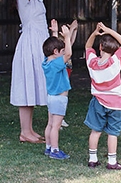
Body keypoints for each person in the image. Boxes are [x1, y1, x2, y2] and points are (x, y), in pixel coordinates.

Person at [10, 0, 54, 144]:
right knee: (27, 84)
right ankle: (24, 132)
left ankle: (28, 131)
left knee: (33, 85)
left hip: (39, 44)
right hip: (29, 44)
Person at [84, 22, 121, 170]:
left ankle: (92, 159)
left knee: (95, 131)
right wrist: (109, 30)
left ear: (101, 48)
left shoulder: (92, 63)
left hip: (97, 101)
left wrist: (95, 33)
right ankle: (112, 161)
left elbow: (88, 47)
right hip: (115, 103)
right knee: (112, 133)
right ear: (115, 50)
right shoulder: (116, 61)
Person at [42, 24, 72, 159]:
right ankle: (55, 150)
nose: (63, 53)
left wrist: (54, 33)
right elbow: (69, 54)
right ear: (56, 52)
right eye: (61, 51)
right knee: (56, 126)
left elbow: (53, 48)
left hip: (51, 98)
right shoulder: (56, 63)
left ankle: (48, 147)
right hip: (59, 99)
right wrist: (67, 37)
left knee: (50, 124)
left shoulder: (46, 62)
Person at [49, 18, 78, 128]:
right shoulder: (60, 49)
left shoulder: (67, 44)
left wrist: (74, 29)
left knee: (63, 96)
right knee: (59, 96)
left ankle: (60, 119)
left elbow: (71, 41)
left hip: (67, 73)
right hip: (61, 72)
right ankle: (56, 120)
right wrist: (70, 31)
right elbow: (66, 42)